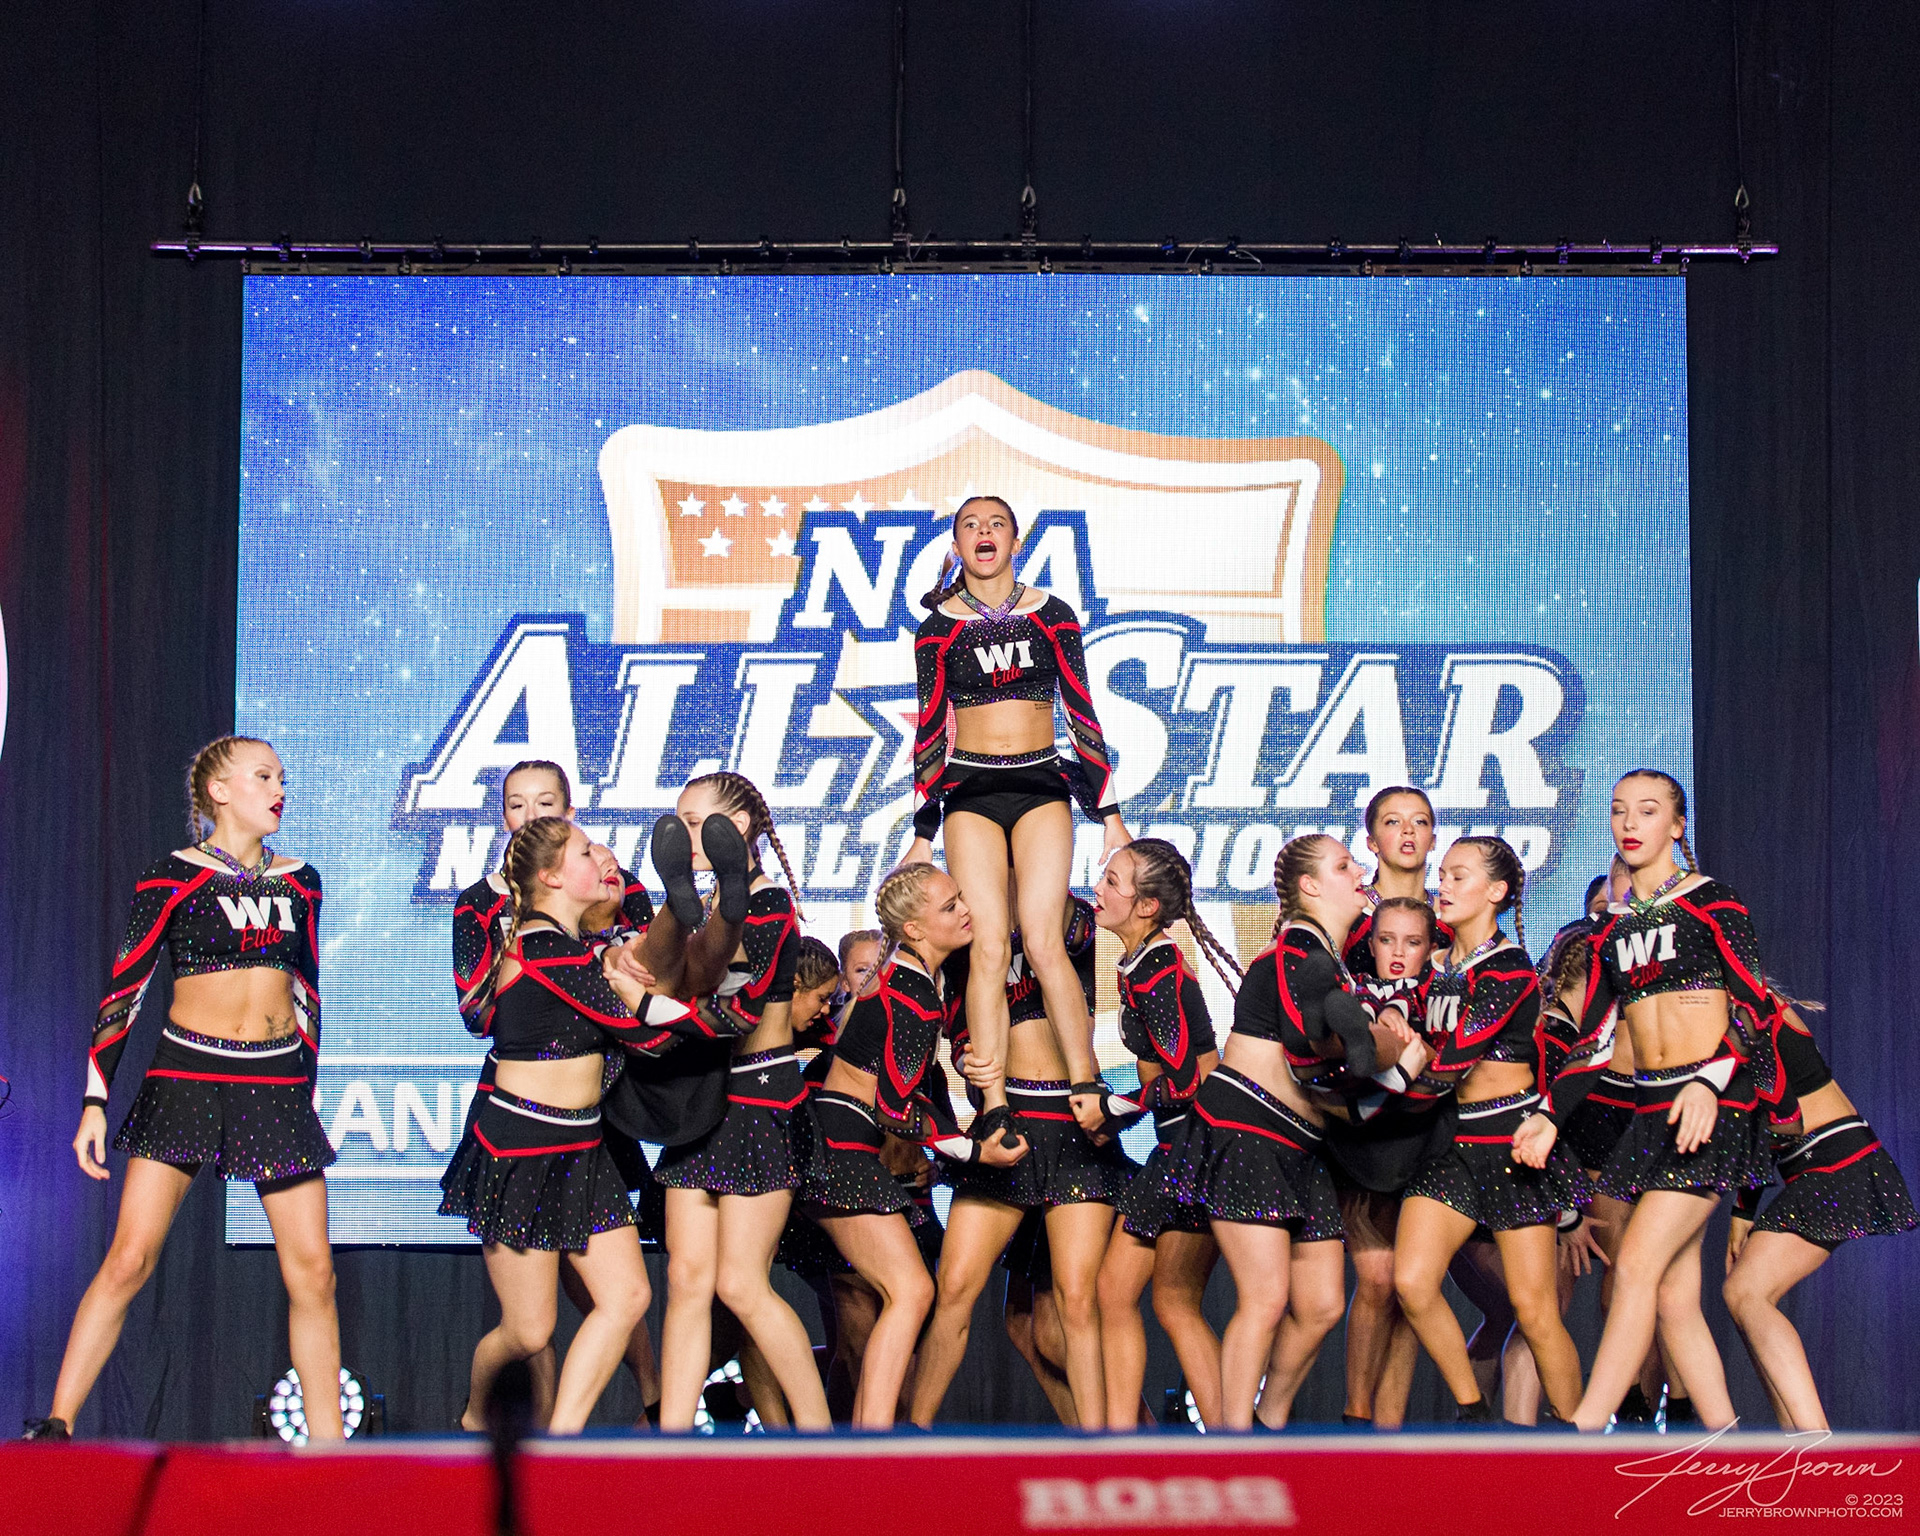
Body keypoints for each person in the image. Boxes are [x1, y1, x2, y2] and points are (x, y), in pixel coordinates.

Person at [28, 737, 342, 1442]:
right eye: (264, 776)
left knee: (315, 1273)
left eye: (282, 777)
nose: (280, 789)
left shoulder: (302, 881)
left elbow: (309, 991)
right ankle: (56, 1424)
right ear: (219, 792)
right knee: (130, 1258)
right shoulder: (172, 876)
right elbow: (126, 991)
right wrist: (94, 1102)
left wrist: (306, 1090)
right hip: (187, 1076)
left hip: (274, 1081)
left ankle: (330, 1453)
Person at [1513, 770, 1798, 1432]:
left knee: (1637, 1264)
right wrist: (1549, 1115)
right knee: (1671, 1295)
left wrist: (1709, 1080)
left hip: (1711, 1107)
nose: (1630, 823)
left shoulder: (1712, 903)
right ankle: (1723, 1444)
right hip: (1651, 1116)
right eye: (1619, 811)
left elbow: (1755, 1009)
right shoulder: (1610, 932)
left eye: (1647, 811)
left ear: (1677, 825)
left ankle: (1587, 1425)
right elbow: (1593, 1043)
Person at [440, 817, 715, 1433]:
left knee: (627, 1297)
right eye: (587, 851)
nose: (602, 858)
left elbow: (619, 980)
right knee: (528, 1330)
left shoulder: (577, 949)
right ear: (553, 877)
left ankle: (560, 1443)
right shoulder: (542, 948)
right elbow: (642, 1033)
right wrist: (719, 1015)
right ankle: (473, 1423)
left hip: (582, 1146)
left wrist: (617, 960)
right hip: (522, 1148)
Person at [1157, 834, 1411, 1430]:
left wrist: (1382, 1037)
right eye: (1344, 865)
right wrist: (1387, 1045)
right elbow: (1315, 1045)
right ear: (1311, 887)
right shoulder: (1298, 951)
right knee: (1265, 1299)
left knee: (1321, 1305)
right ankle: (1233, 1444)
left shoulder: (1326, 957)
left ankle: (1267, 1426)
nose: (1360, 871)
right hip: (1246, 1133)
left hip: (1299, 1146)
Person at [905, 494, 1127, 1160]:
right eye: (971, 525)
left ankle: (1086, 1082)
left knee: (1045, 938)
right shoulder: (937, 629)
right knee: (989, 948)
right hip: (970, 790)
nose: (984, 533)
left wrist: (1110, 816)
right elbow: (930, 728)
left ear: (1015, 541)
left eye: (996, 524)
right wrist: (923, 830)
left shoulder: (1052, 615)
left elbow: (1081, 712)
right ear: (956, 545)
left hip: (1040, 785)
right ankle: (993, 1102)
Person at [807, 863, 1024, 1427]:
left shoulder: (914, 978)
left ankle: (873, 1438)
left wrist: (966, 1059)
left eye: (961, 898)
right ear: (915, 929)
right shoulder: (913, 990)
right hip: (842, 1147)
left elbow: (905, 1085)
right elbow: (895, 1109)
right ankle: (876, 1441)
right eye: (950, 906)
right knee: (910, 1292)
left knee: (908, 1293)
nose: (967, 910)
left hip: (842, 1143)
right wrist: (974, 1152)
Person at [647, 772, 831, 1433]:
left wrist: (652, 1008)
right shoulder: (686, 907)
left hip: (759, 1100)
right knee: (688, 1280)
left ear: (741, 828)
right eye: (679, 823)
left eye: (697, 823)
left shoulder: (771, 902)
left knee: (741, 1284)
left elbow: (734, 1007)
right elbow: (671, 984)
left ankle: (821, 1439)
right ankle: (671, 1442)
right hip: (700, 1100)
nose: (685, 836)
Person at [913, 881, 1133, 1429]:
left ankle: (1099, 1450)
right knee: (955, 1287)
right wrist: (965, 1062)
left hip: (1072, 1125)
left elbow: (1065, 941)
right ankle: (911, 1439)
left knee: (1075, 1301)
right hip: (1006, 1124)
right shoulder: (964, 932)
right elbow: (959, 1029)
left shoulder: (1062, 915)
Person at [1388, 836, 1590, 1424]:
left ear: (1496, 891)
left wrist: (1380, 1105)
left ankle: (1579, 1441)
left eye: (1458, 876)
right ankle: (1473, 1409)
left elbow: (1453, 1060)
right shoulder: (1434, 967)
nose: (1443, 885)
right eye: (1443, 875)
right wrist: (1393, 1011)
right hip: (1449, 1147)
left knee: (1535, 1312)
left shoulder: (1510, 969)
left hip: (1510, 1146)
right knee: (1412, 1282)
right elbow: (1408, 1022)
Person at [1090, 840, 1235, 1431]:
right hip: (1180, 1147)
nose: (1099, 888)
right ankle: (1125, 1437)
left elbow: (1187, 1080)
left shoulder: (1158, 969)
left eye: (1113, 881)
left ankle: (1230, 1440)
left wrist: (1111, 1107)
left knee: (1172, 1303)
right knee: (1120, 1294)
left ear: (1147, 905)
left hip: (1197, 1150)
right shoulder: (1139, 963)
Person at [1725, 990, 1916, 1429]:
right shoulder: (1734, 1015)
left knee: (1746, 1293)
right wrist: (1742, 1212)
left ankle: (1813, 1438)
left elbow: (1777, 1117)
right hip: (1823, 1164)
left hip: (1836, 1163)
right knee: (1743, 1298)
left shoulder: (1753, 1011)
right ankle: (1799, 1442)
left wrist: (1742, 1210)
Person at [1328, 787, 1449, 1427]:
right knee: (1376, 1279)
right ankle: (1356, 1424)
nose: (1407, 832)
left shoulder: (1454, 916)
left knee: (1413, 1284)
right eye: (1393, 822)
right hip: (1363, 1121)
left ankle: (1390, 1435)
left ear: (1434, 834)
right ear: (1369, 838)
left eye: (1420, 821)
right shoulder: (1351, 916)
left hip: (1433, 1120)